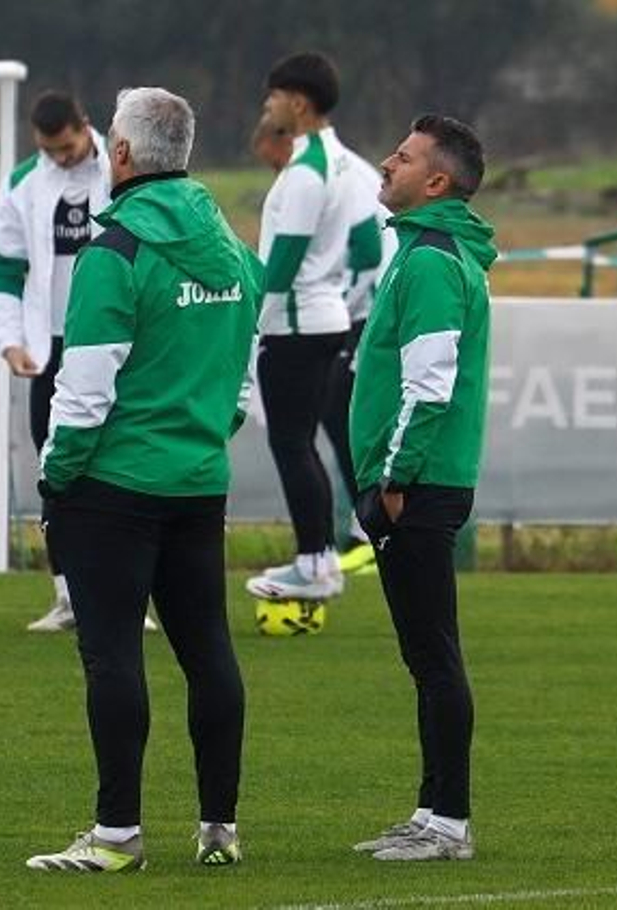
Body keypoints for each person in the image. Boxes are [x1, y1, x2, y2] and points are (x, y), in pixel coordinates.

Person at [25, 87, 261, 873]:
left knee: (113, 656)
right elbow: (242, 381)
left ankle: (118, 834)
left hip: (114, 488)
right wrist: (202, 435)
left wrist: (55, 478)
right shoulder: (233, 250)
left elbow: (84, 389)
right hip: (199, 481)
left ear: (120, 155)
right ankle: (220, 829)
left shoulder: (115, 251)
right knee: (208, 651)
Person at [348, 114, 495, 862]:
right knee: (426, 656)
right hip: (417, 481)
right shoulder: (422, 253)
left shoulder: (434, 261)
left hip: (420, 485)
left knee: (434, 656)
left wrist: (395, 479)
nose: (385, 161)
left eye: (401, 157)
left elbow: (429, 385)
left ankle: (449, 823)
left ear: (435, 182)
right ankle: (433, 810)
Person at [0, 91, 157, 633]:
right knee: (57, 471)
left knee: (126, 465)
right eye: (48, 150)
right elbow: (6, 270)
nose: (59, 158)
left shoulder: (126, 173)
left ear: (87, 128)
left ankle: (135, 596)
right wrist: (9, 339)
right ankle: (67, 594)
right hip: (53, 346)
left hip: (116, 341)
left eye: (65, 147)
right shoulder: (22, 184)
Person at [243, 52, 361, 606]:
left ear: (298, 102)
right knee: (303, 445)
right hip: (325, 318)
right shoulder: (333, 158)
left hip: (296, 326)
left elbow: (281, 267)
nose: (267, 105)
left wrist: (245, 320)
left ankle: (314, 564)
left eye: (273, 96)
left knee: (292, 445)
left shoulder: (308, 170)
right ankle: (320, 560)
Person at [322, 134, 397, 578]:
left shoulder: (343, 176)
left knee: (344, 413)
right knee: (337, 414)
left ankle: (371, 531)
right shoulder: (330, 172)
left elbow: (368, 253)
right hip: (354, 314)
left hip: (369, 315)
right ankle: (364, 529)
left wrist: (339, 307)